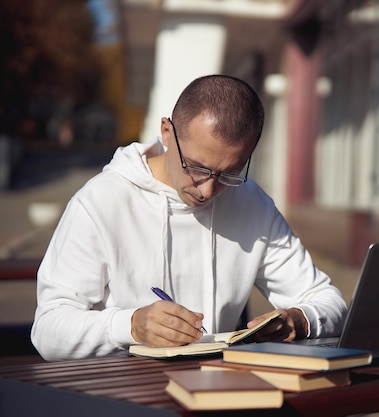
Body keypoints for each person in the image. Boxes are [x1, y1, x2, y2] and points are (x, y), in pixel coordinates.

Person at [31, 75, 347, 361]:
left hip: (218, 390)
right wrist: (131, 326)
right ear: (167, 132)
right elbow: (48, 331)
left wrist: (298, 320)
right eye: (195, 167)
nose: (208, 190)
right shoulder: (100, 201)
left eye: (229, 173)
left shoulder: (252, 202)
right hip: (119, 396)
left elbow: (328, 302)